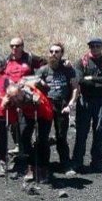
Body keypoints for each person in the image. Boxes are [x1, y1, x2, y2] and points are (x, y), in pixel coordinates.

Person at [70, 38, 102, 177]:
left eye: (97, 46)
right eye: (92, 46)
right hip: (85, 100)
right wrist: (96, 81)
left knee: (99, 131)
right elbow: (80, 79)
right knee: (81, 132)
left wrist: (92, 79)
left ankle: (97, 163)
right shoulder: (81, 62)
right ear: (89, 47)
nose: (94, 48)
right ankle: (77, 162)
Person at [35, 43, 78, 172]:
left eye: (57, 51)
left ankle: (65, 164)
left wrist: (71, 104)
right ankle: (44, 165)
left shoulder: (68, 69)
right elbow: (32, 84)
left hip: (62, 105)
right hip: (46, 106)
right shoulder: (43, 70)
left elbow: (75, 88)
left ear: (61, 54)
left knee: (61, 136)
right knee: (43, 136)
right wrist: (38, 86)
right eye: (51, 51)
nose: (53, 54)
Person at [5, 83, 54, 183]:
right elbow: (9, 109)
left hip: (43, 113)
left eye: (16, 96)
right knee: (23, 138)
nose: (15, 99)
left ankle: (44, 168)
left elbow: (41, 103)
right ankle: (31, 166)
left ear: (21, 92)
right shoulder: (10, 97)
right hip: (27, 113)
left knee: (42, 140)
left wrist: (37, 102)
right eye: (12, 97)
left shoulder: (31, 94)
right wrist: (7, 107)